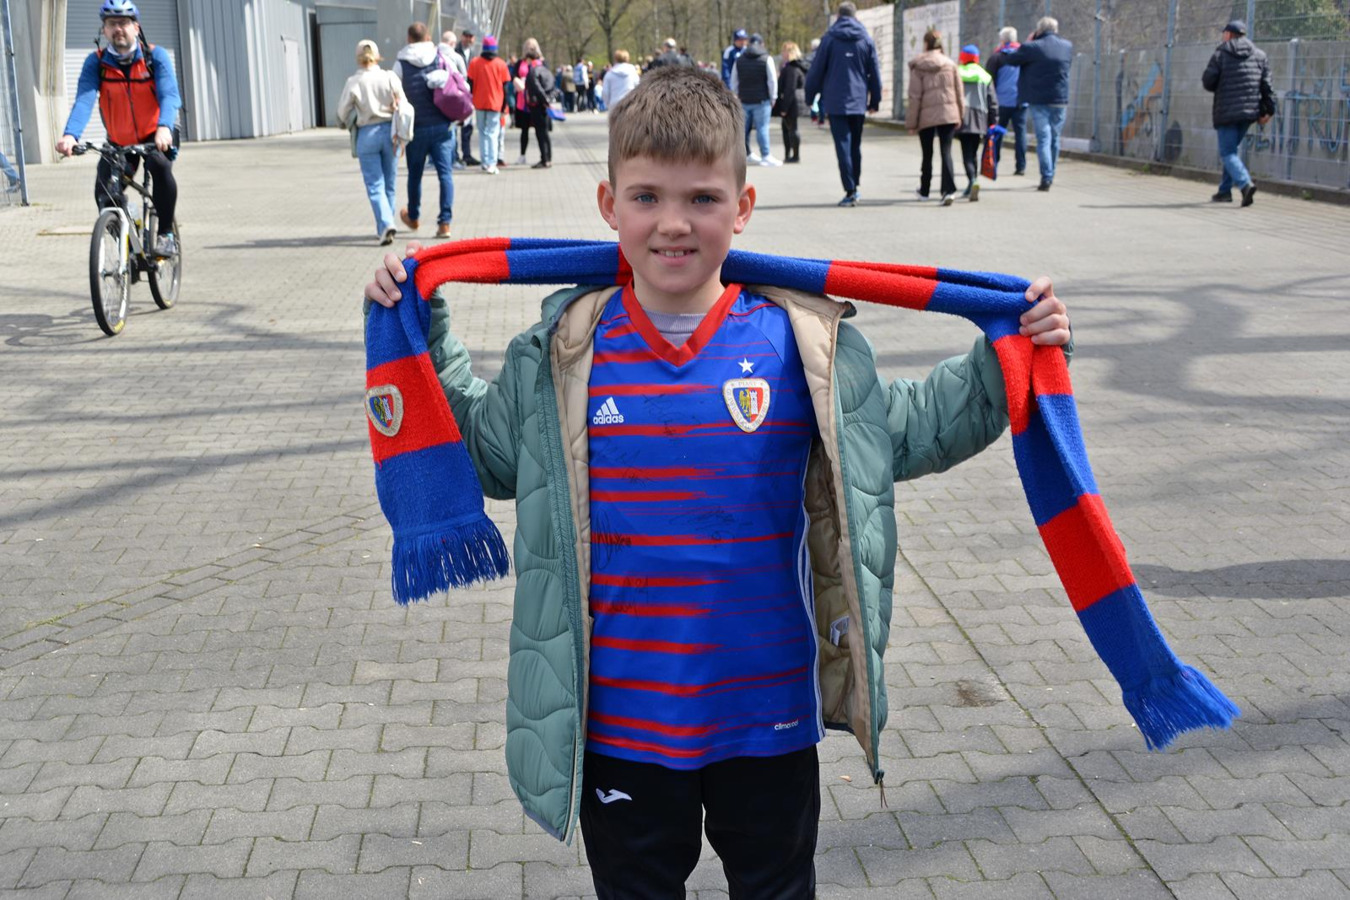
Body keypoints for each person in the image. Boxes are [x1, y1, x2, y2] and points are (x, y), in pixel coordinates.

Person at [365, 64, 1069, 898]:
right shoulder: (561, 353)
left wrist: (1008, 356)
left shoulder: (796, 344)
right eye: (647, 197)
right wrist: (422, 325)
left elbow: (909, 429)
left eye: (702, 198)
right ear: (609, 205)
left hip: (768, 722)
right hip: (620, 726)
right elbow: (485, 457)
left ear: (742, 207)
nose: (673, 223)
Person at [55, 0, 182, 257]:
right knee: (103, 192)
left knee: (160, 166)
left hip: (155, 135)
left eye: (123, 23)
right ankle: (127, 241)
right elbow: (85, 99)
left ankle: (166, 233)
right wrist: (71, 135)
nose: (118, 29)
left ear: (136, 27)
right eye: (112, 24)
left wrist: (164, 127)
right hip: (119, 141)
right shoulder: (97, 62)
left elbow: (169, 95)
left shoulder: (154, 57)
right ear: (104, 30)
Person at [804, 1, 883, 207]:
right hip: (858, 100)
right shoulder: (865, 39)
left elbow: (816, 71)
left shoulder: (829, 39)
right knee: (855, 145)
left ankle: (850, 189)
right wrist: (875, 100)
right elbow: (874, 72)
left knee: (842, 145)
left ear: (838, 16)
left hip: (836, 101)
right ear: (855, 16)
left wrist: (810, 97)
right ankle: (855, 184)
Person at [337, 39, 403, 244]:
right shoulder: (389, 77)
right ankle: (386, 225)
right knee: (389, 183)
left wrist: (348, 120)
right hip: (390, 132)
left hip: (367, 133)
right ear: (377, 56)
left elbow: (342, 112)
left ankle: (385, 224)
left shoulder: (354, 81)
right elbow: (403, 103)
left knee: (375, 184)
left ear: (358, 58)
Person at [393, 23, 455, 238]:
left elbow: (394, 93)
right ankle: (445, 223)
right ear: (428, 37)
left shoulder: (401, 63)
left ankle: (413, 216)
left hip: (415, 128)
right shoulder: (440, 58)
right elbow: (455, 82)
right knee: (445, 174)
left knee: (415, 175)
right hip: (441, 126)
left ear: (409, 38)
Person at [1201, 19, 1272, 207]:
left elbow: (1208, 81)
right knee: (1231, 151)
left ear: (1228, 34)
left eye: (1224, 33)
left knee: (1227, 153)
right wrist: (1268, 110)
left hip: (1226, 112)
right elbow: (1266, 86)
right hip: (1249, 113)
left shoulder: (1221, 53)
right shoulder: (1259, 55)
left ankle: (1245, 184)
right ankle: (1224, 192)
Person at [1002, 16, 1072, 192]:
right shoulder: (1067, 46)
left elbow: (1010, 59)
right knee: (1054, 138)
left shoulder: (1032, 47)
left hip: (1039, 100)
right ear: (1056, 29)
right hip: (1060, 99)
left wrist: (1028, 42)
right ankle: (1051, 173)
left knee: (1043, 139)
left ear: (1039, 30)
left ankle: (1046, 177)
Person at [906, 27, 963, 206]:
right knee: (946, 151)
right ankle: (948, 191)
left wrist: (912, 123)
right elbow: (959, 92)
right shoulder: (950, 64)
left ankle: (924, 190)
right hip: (948, 114)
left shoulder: (918, 66)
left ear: (925, 44)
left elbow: (914, 96)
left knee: (927, 154)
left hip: (926, 116)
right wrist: (960, 115)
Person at [955, 44, 998, 201]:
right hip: (981, 119)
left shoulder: (957, 73)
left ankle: (972, 180)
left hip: (962, 117)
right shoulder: (985, 76)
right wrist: (993, 122)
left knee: (966, 153)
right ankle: (972, 182)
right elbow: (992, 101)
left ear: (962, 58)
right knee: (973, 152)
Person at [730, 33, 780, 166]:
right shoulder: (766, 59)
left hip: (744, 99)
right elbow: (772, 80)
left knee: (743, 130)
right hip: (762, 100)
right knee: (762, 128)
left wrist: (736, 95)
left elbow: (734, 80)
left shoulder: (739, 60)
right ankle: (765, 155)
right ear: (762, 44)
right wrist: (773, 97)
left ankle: (744, 155)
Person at [984, 27, 1027, 176]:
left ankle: (993, 163)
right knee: (1020, 134)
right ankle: (1021, 166)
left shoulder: (997, 57)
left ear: (1002, 40)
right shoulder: (1025, 55)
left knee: (997, 133)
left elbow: (989, 81)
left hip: (1001, 102)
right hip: (1021, 101)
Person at [466, 35, 510, 173]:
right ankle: (492, 162)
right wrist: (504, 106)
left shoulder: (474, 63)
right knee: (492, 133)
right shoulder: (501, 64)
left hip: (479, 102)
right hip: (496, 103)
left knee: (482, 132)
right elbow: (505, 88)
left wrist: (470, 100)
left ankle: (485, 161)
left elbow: (470, 84)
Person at [774, 41, 808, 163]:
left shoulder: (791, 68)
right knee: (787, 128)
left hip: (792, 101)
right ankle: (789, 154)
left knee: (792, 128)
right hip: (795, 100)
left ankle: (795, 156)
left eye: (784, 51)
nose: (782, 54)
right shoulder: (796, 66)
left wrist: (784, 108)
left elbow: (789, 88)